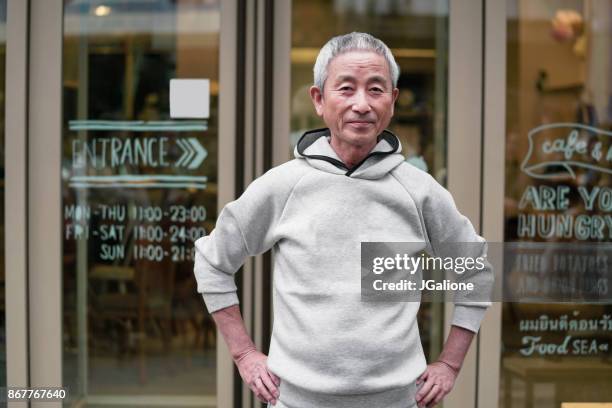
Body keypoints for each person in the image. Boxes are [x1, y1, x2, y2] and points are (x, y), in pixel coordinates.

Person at [193, 32, 493, 408]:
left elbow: (476, 271)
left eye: (376, 89)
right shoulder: (284, 185)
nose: (362, 104)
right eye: (346, 89)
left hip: (397, 401)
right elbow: (211, 261)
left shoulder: (419, 192)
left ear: (393, 101)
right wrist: (244, 354)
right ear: (319, 99)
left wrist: (449, 364)